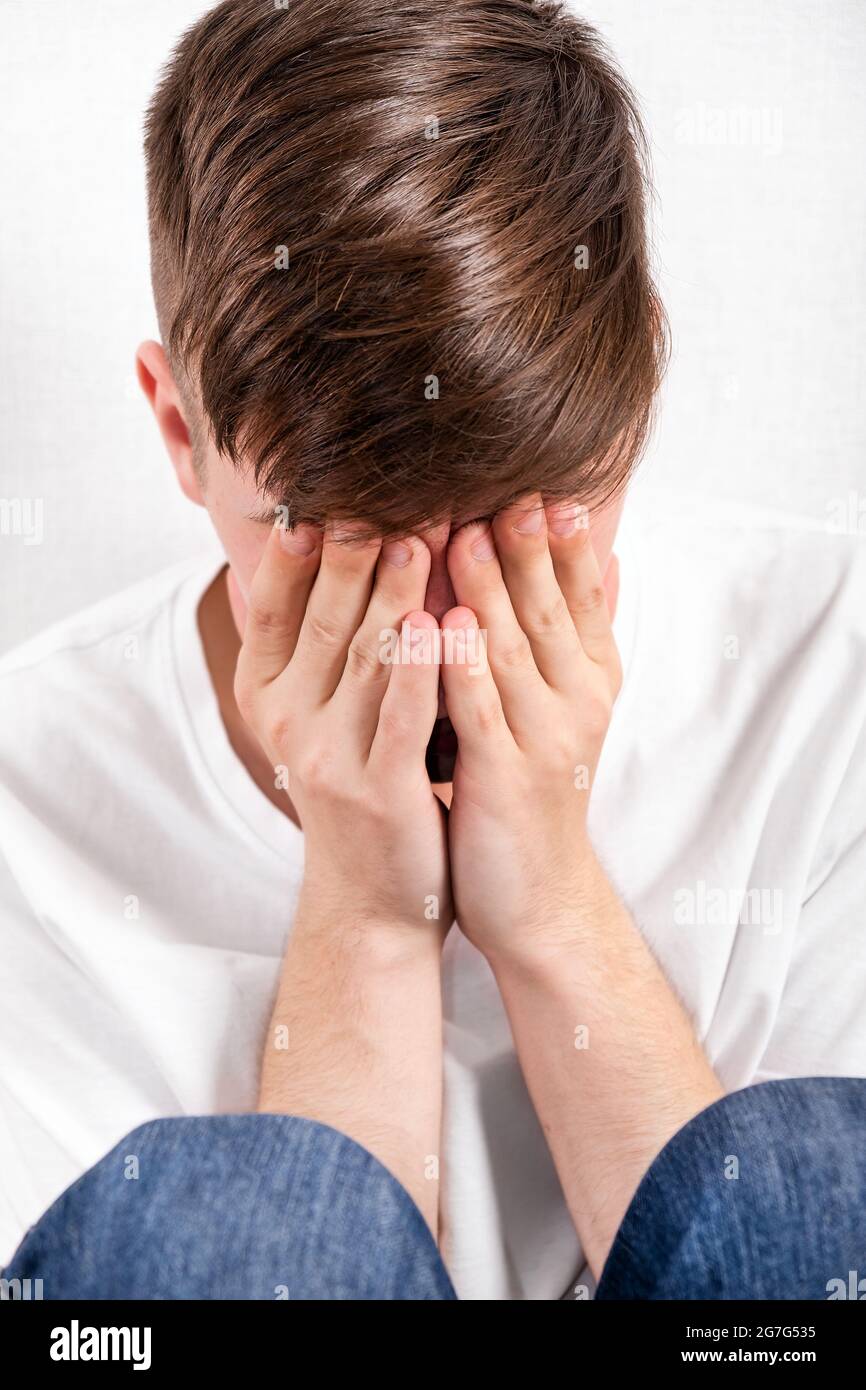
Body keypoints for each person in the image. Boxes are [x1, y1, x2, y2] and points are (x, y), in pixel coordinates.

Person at [1, 0, 865, 1301]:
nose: (449, 633)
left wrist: (553, 905)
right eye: (355, 549)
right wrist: (363, 903)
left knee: (812, 1178)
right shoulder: (27, 797)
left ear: (637, 389)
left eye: (523, 528)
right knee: (180, 1235)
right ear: (181, 434)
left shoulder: (827, 665)